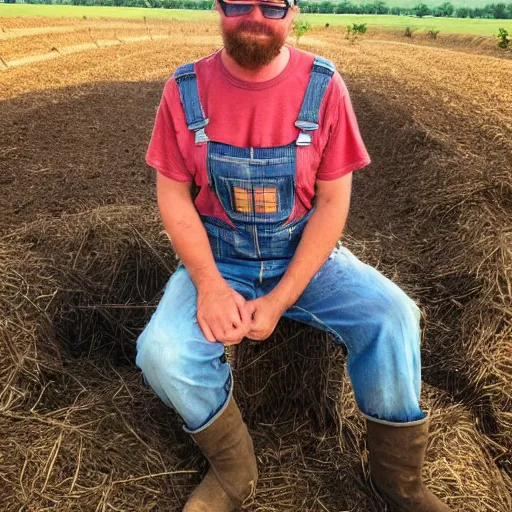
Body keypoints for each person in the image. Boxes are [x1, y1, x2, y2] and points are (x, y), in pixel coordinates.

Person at [135, 0, 454, 510]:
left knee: (393, 317)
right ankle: (234, 472)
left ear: (294, 10)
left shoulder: (324, 88)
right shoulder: (184, 90)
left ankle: (399, 482)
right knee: (162, 353)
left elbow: (331, 203)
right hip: (219, 260)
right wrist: (211, 286)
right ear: (218, 7)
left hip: (305, 256)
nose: (256, 15)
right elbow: (173, 195)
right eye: (240, 2)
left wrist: (281, 298)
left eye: (272, 3)